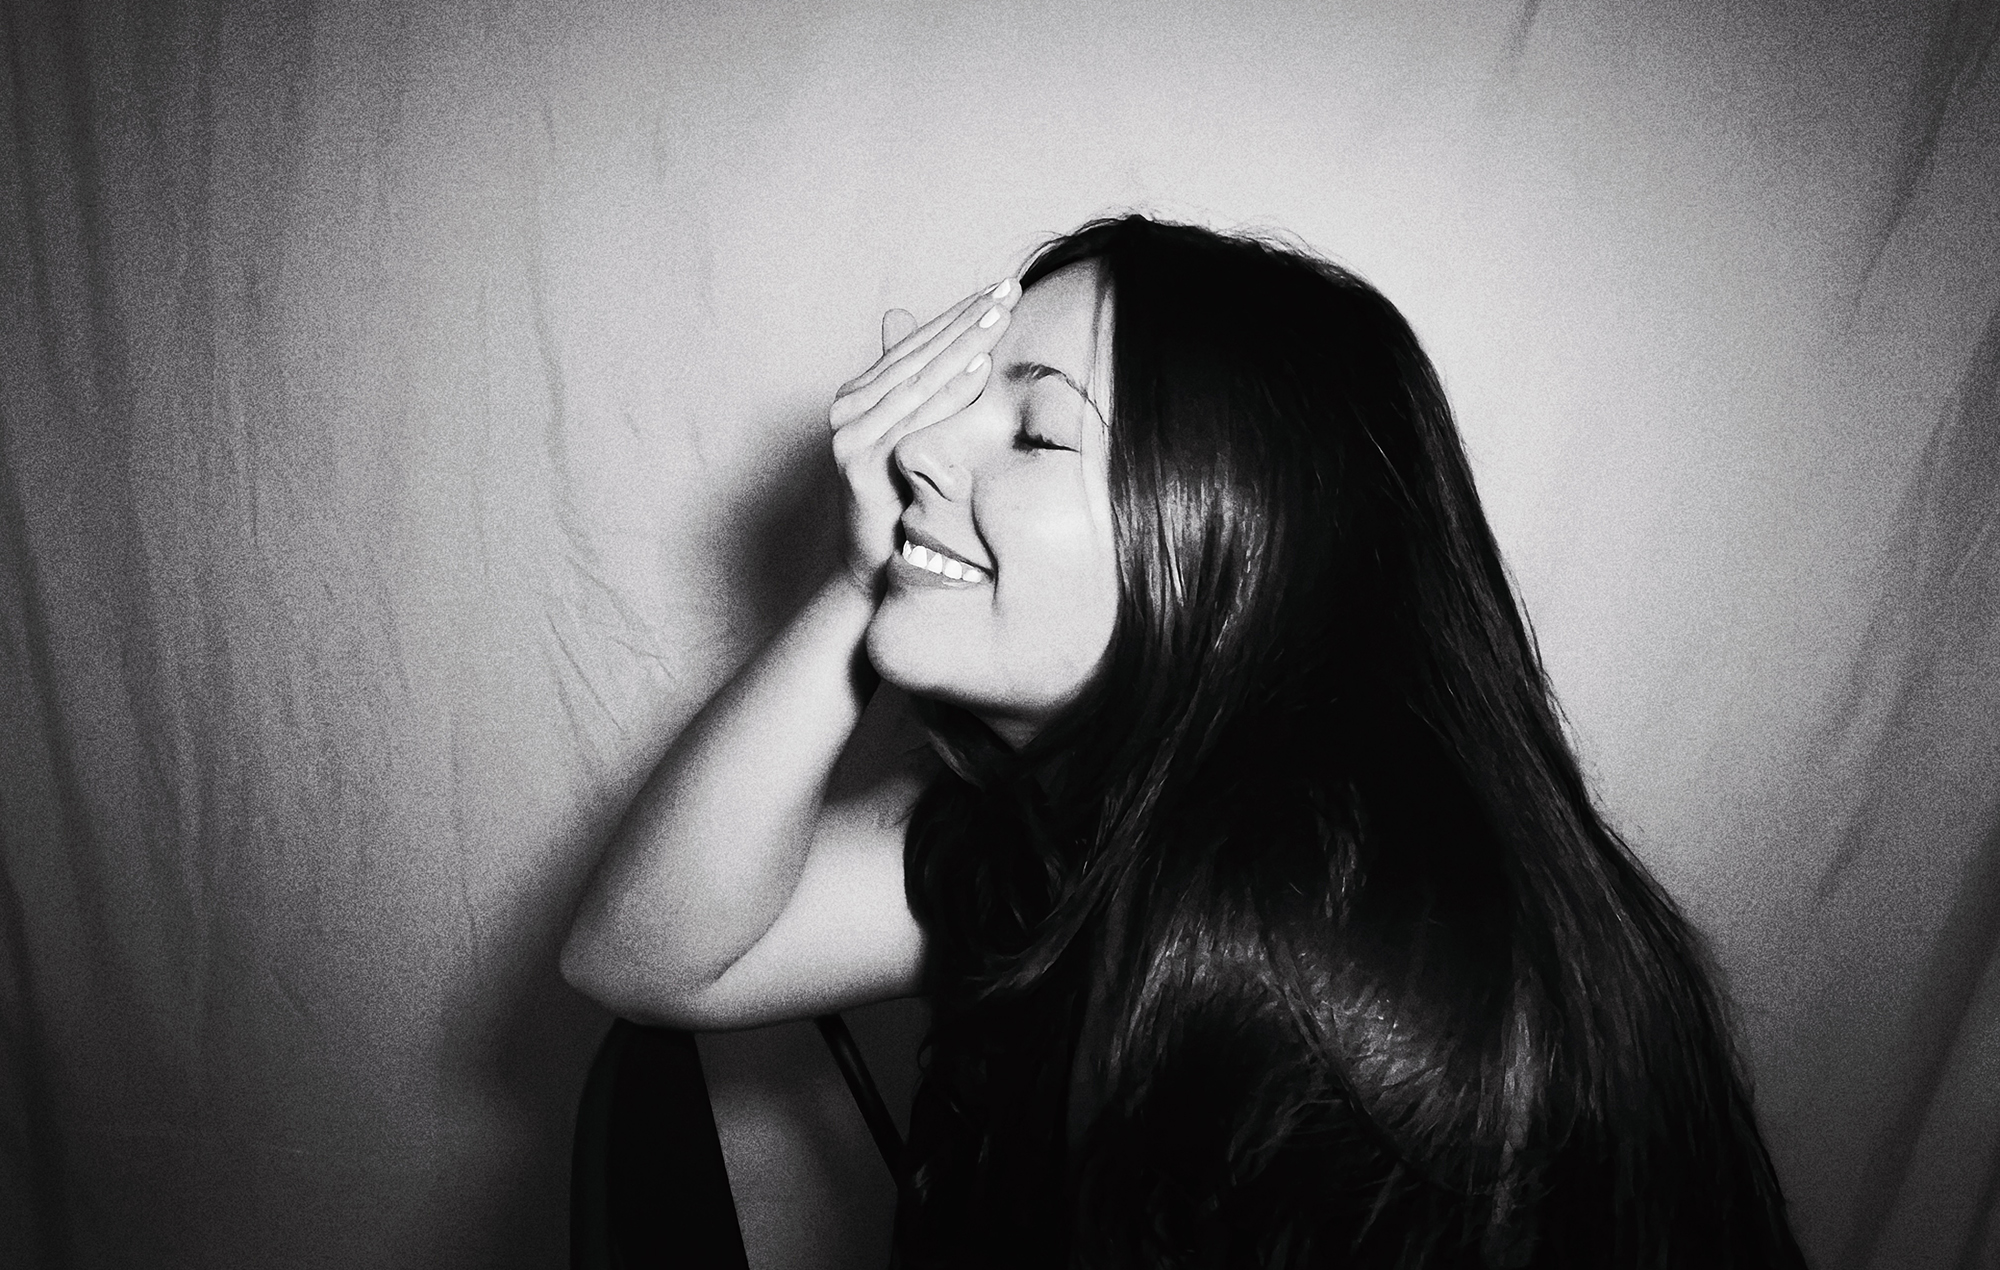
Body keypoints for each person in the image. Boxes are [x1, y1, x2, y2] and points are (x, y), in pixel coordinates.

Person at [561, 215, 1806, 1267]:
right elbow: (650, 957)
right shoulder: (1080, 824)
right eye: (951, 405)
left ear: (1243, 539)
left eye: (1035, 431)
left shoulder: (1305, 957)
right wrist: (867, 573)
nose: (906, 448)